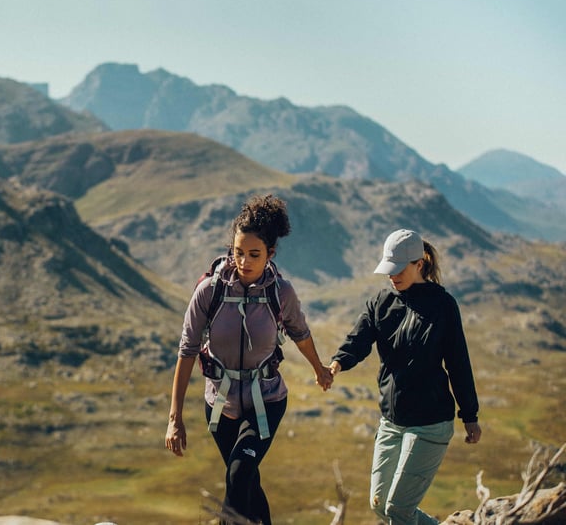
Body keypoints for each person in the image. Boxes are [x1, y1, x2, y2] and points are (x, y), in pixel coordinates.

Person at [165, 194, 333, 525]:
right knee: (247, 480)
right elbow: (187, 349)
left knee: (239, 475)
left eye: (254, 254)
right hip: (220, 404)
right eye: (238, 252)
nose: (244, 261)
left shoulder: (279, 292)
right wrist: (175, 417)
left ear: (270, 253)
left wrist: (319, 369)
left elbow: (300, 332)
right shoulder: (210, 291)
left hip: (267, 400)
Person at [328, 228, 481, 525]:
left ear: (419, 264)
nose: (392, 277)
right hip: (391, 422)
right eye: (388, 270)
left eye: (399, 270)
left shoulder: (443, 306)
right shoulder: (381, 302)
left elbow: (458, 363)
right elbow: (358, 340)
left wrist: (470, 414)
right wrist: (337, 363)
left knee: (398, 509)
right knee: (380, 505)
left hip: (430, 423)